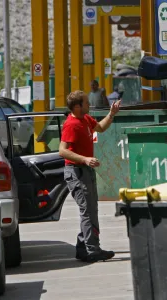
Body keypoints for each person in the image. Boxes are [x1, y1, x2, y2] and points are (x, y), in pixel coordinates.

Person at [59, 90, 121, 263]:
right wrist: (85, 159)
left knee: (90, 210)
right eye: (86, 103)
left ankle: (82, 249)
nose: (90, 105)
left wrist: (111, 114)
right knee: (88, 211)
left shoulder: (85, 119)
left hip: (85, 171)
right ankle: (92, 250)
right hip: (76, 172)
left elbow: (100, 127)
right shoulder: (71, 125)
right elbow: (62, 150)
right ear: (78, 106)